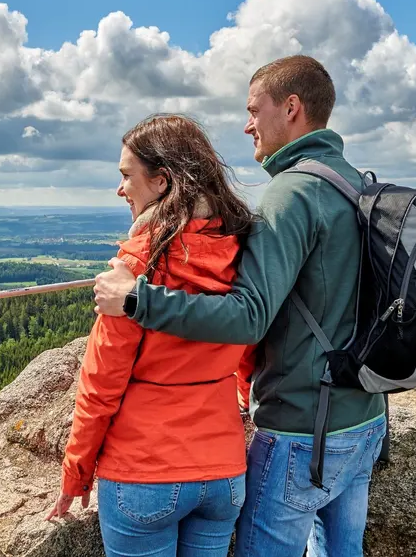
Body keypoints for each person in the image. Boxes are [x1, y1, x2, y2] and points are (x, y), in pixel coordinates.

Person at [92, 55, 387, 557]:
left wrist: (138, 298)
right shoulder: (355, 182)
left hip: (302, 428)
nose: (246, 124)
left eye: (254, 110)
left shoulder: (293, 193)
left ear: (291, 108)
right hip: (365, 416)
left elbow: (248, 318)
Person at [46, 113, 258, 557]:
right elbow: (249, 338)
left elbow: (102, 384)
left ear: (161, 182)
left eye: (127, 176)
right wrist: (241, 395)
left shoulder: (138, 263)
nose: (120, 189)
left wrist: (77, 471)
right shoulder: (241, 247)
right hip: (223, 471)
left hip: (145, 471)